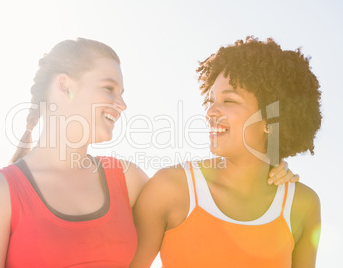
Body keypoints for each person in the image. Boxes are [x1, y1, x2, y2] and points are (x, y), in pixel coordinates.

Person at [0, 38, 297, 268]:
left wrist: (267, 168)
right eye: (109, 89)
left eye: (122, 92)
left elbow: (206, 203)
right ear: (65, 85)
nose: (121, 104)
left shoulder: (128, 180)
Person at [130, 37, 321, 268]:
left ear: (271, 118)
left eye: (229, 100)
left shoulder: (303, 204)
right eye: (210, 100)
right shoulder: (169, 187)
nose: (210, 111)